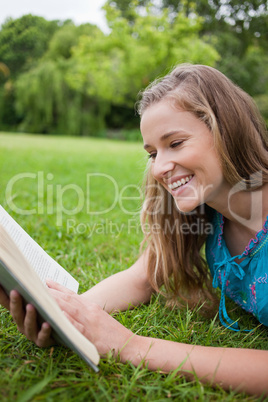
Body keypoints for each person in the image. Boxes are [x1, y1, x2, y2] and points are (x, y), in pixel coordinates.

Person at [0, 64, 268, 396]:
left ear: (226, 129)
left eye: (176, 143)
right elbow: (143, 276)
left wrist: (130, 345)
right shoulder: (207, 213)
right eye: (153, 153)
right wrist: (68, 314)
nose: (159, 167)